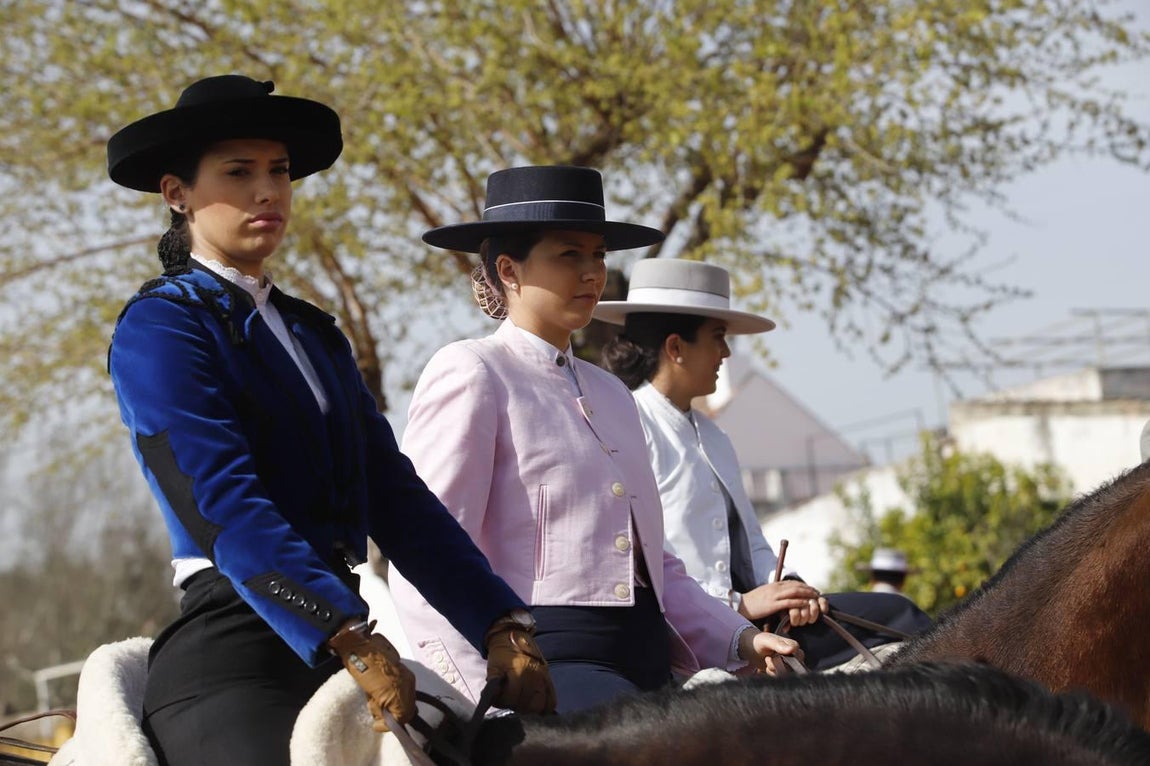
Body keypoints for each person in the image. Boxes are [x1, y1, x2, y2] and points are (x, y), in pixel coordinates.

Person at [105, 75, 554, 766]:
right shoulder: (163, 326)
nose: (268, 192)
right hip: (237, 646)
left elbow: (396, 497)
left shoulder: (315, 334)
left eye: (279, 172)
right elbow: (221, 501)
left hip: (353, 638)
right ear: (177, 194)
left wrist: (500, 621)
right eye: (239, 172)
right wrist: (336, 626)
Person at [390, 165, 798, 714]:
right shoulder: (473, 370)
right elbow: (424, 549)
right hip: (546, 661)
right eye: (569, 255)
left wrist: (740, 637)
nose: (592, 273)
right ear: (508, 270)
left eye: (599, 256)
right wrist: (477, 696)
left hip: (649, 655)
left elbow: (657, 567)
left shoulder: (613, 395)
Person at [597, 258, 932, 670]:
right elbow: (645, 561)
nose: (726, 352)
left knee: (903, 619)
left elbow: (754, 542)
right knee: (903, 620)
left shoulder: (714, 436)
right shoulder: (631, 427)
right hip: (696, 634)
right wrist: (738, 604)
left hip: (759, 617)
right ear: (676, 348)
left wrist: (791, 588)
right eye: (717, 337)